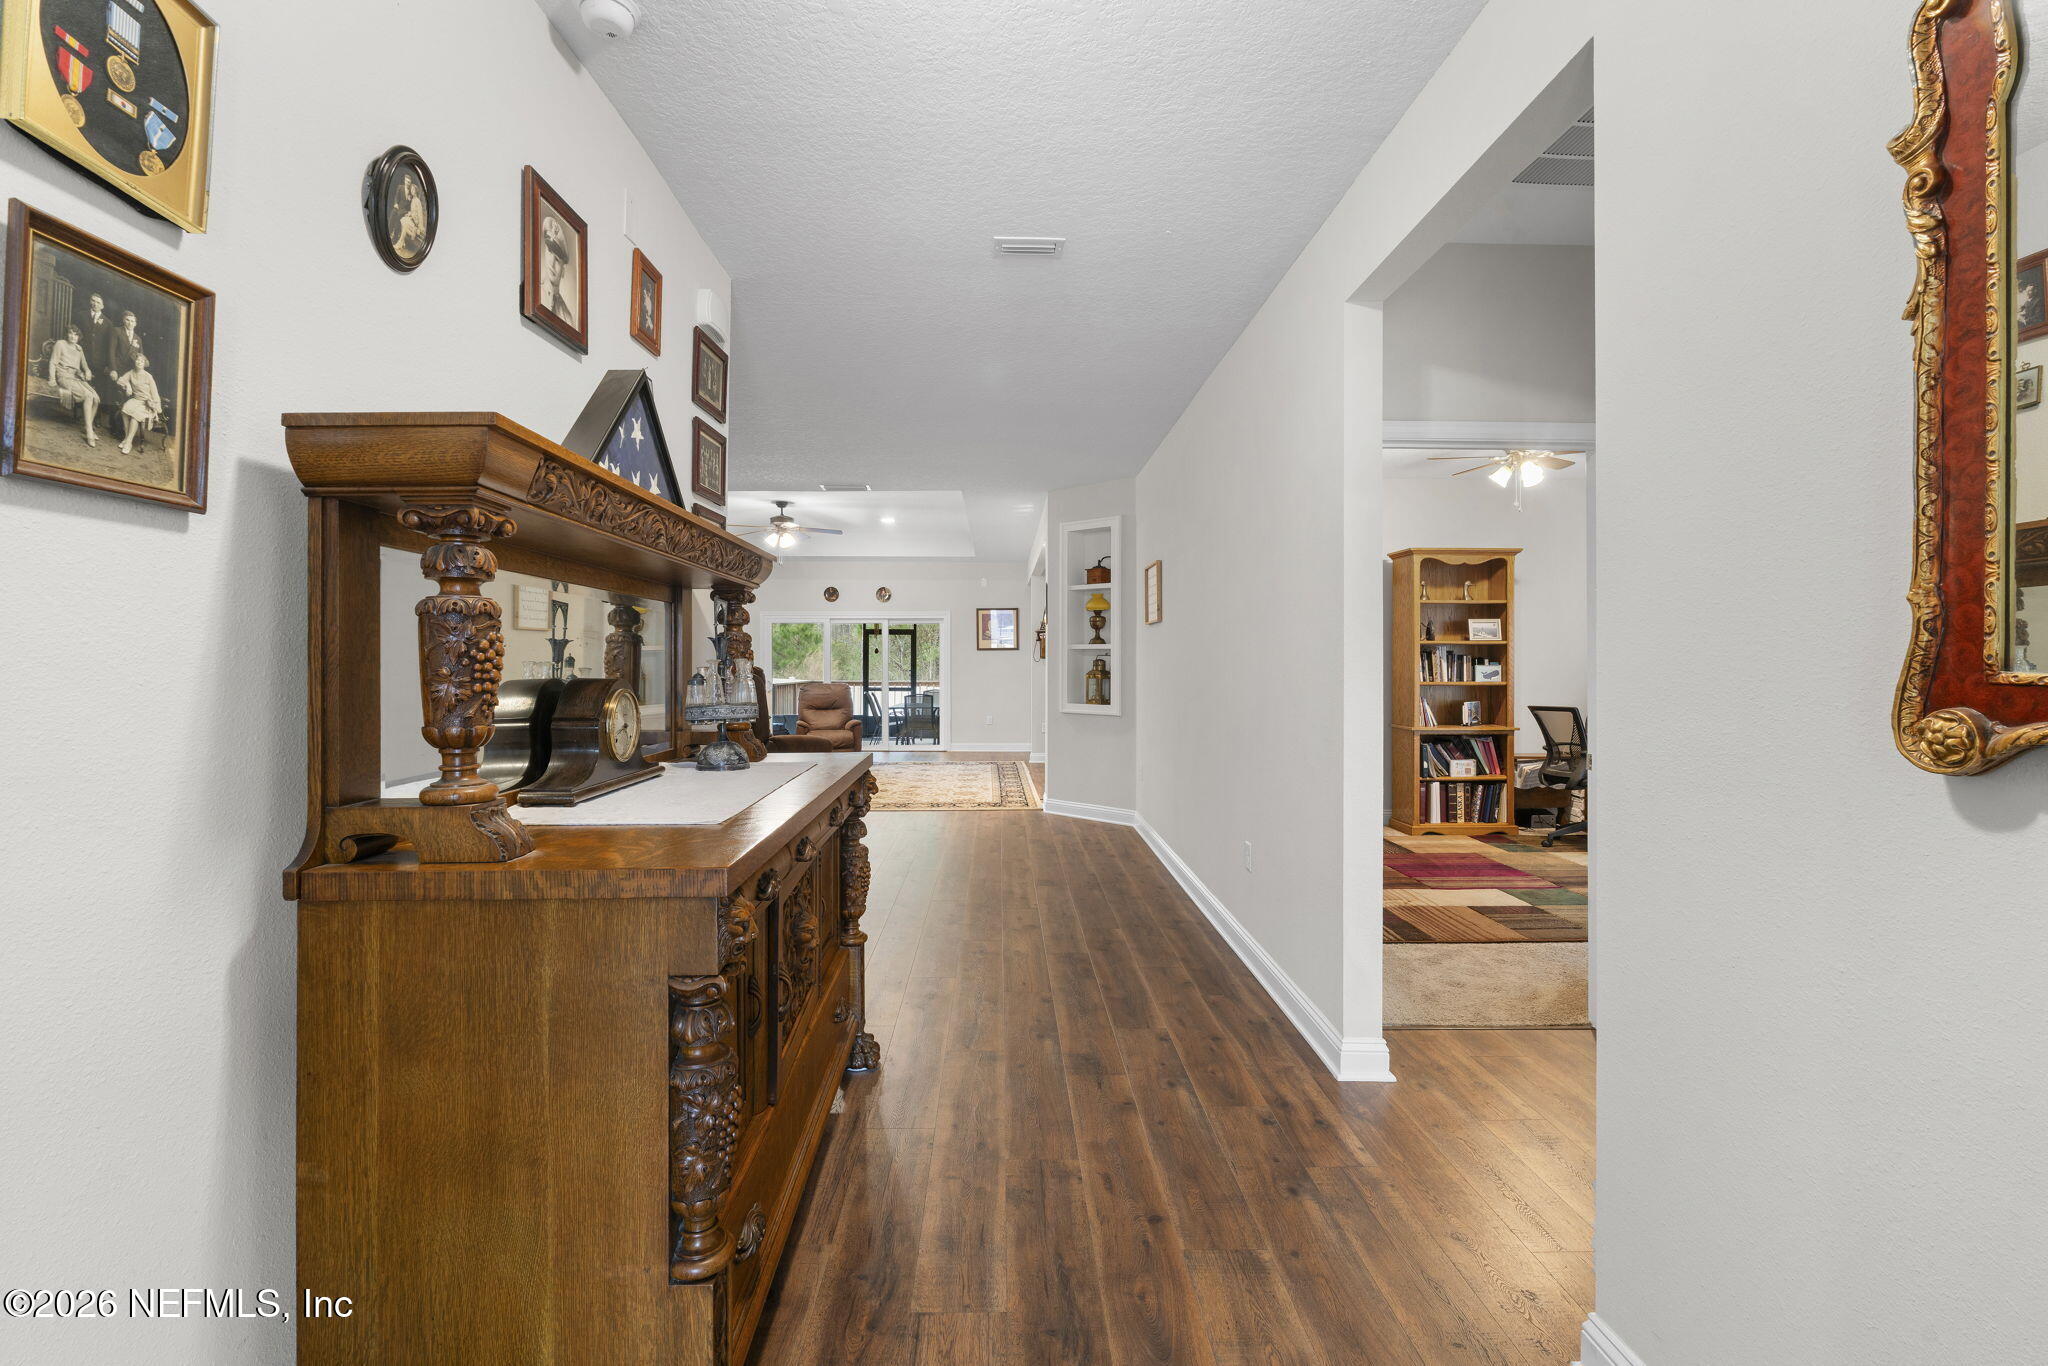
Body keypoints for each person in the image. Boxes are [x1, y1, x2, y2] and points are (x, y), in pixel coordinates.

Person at [45, 324, 98, 446]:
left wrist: (88, 371)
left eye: (76, 334)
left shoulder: (79, 348)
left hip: (76, 377)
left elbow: (84, 366)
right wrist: (52, 378)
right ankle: (90, 431)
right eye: (70, 333)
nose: (73, 336)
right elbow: (53, 362)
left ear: (79, 337)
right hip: (63, 376)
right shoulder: (60, 344)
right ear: (67, 334)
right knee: (88, 396)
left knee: (96, 398)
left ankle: (86, 426)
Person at [116, 352, 163, 456]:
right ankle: (126, 437)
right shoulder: (131, 373)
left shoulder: (148, 376)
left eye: (141, 361)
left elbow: (155, 393)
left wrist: (157, 408)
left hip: (147, 403)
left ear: (144, 363)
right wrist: (127, 384)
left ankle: (128, 443)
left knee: (134, 416)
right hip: (136, 400)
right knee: (125, 409)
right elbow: (120, 381)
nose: (139, 362)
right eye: (137, 360)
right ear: (135, 362)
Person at [80, 293, 114, 428]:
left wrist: (107, 364)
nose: (95, 304)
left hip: (100, 362)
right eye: (93, 301)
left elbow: (108, 345)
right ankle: (82, 416)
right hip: (83, 358)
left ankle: (96, 417)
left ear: (103, 306)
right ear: (90, 301)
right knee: (84, 386)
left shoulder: (108, 323)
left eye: (98, 302)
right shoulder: (81, 315)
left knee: (98, 389)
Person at [539, 216, 577, 323]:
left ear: (563, 270)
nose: (551, 262)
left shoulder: (567, 317)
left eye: (557, 259)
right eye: (549, 252)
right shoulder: (536, 295)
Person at [392, 174, 428, 260]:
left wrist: (420, 227)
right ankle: (402, 242)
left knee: (404, 223)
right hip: (413, 220)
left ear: (415, 191)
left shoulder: (417, 201)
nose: (411, 191)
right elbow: (413, 212)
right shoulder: (413, 200)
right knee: (403, 219)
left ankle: (401, 243)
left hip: (417, 225)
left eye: (413, 189)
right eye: (411, 189)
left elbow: (419, 215)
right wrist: (410, 214)